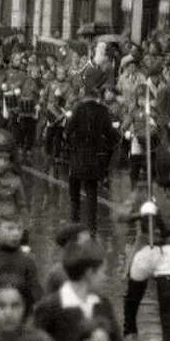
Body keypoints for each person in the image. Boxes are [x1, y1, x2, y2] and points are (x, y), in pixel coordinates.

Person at [119, 150, 170, 341]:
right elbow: (120, 215)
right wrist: (140, 213)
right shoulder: (143, 192)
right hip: (143, 247)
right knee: (134, 294)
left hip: (167, 250)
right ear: (164, 171)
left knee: (169, 297)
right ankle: (129, 330)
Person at [32, 240, 118, 341]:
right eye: (102, 272)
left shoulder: (103, 304)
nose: (105, 277)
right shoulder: (50, 307)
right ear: (89, 273)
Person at [63, 78, 117, 233]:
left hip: (78, 155)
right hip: (95, 156)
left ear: (84, 95)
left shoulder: (79, 109)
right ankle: (92, 226)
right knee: (91, 190)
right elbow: (110, 135)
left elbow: (67, 132)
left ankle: (74, 219)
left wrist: (71, 141)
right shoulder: (103, 110)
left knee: (74, 188)